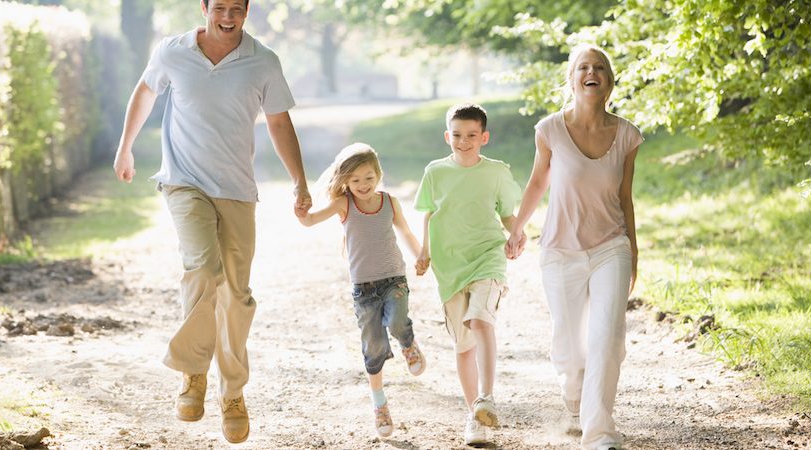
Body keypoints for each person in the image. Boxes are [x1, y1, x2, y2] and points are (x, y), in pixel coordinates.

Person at [112, 0, 311, 444]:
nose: (227, 17)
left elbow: (279, 122)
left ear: (246, 12)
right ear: (204, 7)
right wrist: (125, 146)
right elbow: (146, 91)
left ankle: (233, 394)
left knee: (236, 295)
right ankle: (193, 371)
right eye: (219, 7)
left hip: (237, 190)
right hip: (184, 183)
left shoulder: (263, 62)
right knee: (203, 269)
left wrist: (299, 181)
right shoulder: (173, 51)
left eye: (236, 10)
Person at [505, 44, 643, 450]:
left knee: (609, 339)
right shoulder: (549, 130)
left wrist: (632, 252)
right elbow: (536, 184)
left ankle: (599, 433)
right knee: (567, 345)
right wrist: (516, 229)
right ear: (572, 78)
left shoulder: (627, 136)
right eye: (583, 66)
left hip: (610, 248)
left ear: (609, 81)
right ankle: (574, 390)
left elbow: (626, 198)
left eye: (600, 67)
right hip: (560, 250)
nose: (592, 71)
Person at [295, 143, 427, 438]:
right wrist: (302, 211)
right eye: (355, 180)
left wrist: (420, 255)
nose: (363, 185)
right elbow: (311, 220)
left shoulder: (390, 202)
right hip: (364, 289)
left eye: (368, 177)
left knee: (396, 321)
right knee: (374, 346)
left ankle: (408, 343)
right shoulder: (344, 204)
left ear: (378, 174)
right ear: (345, 181)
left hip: (394, 278)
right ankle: (380, 404)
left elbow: (404, 230)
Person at [415, 103, 521, 446]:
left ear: (484, 137)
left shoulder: (497, 173)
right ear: (448, 136)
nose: (464, 142)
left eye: (472, 135)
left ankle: (486, 397)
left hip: (488, 257)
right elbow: (430, 215)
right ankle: (473, 417)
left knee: (481, 320)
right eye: (457, 135)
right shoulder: (435, 172)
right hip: (450, 267)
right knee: (463, 347)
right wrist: (424, 252)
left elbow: (508, 214)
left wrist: (518, 234)